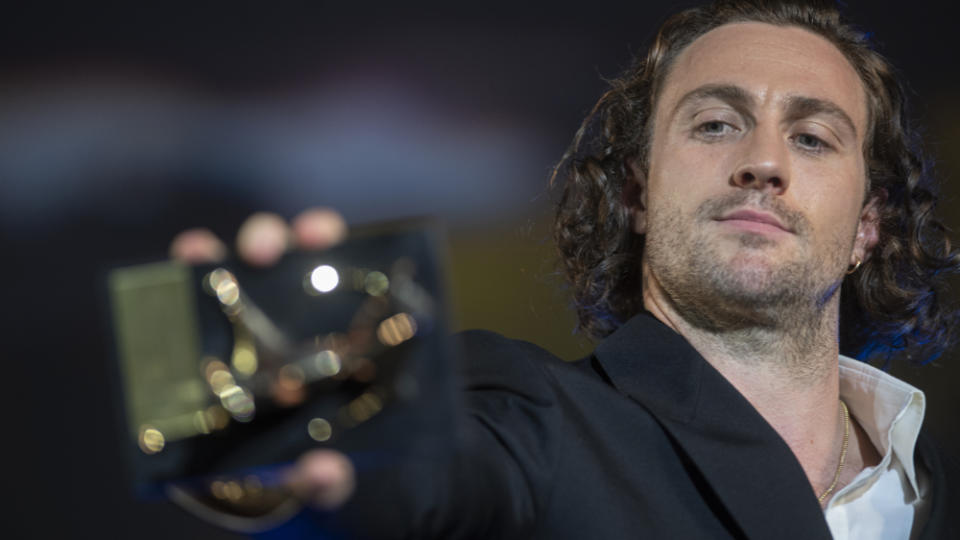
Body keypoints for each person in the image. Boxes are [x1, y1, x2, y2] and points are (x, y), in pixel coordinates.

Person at [171, 0, 958, 538]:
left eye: (814, 138)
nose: (761, 162)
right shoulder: (530, 416)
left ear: (868, 225)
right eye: (716, 124)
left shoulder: (937, 486)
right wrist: (302, 450)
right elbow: (423, 478)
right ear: (637, 194)